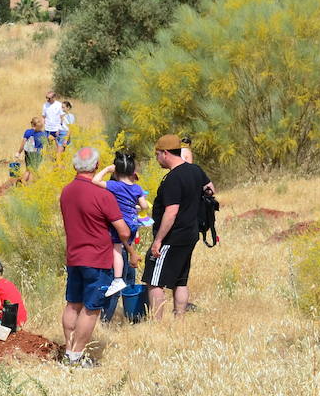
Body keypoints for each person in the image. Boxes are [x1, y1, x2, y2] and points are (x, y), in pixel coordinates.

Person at [59, 146, 134, 367]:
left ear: (75, 166)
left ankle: (68, 351)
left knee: (73, 304)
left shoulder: (66, 191)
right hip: (97, 259)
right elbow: (124, 231)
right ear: (97, 166)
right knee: (91, 308)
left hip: (74, 256)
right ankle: (76, 356)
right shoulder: (103, 194)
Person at [143, 134, 213, 320]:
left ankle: (157, 323)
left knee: (153, 280)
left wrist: (158, 240)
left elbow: (171, 212)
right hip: (191, 234)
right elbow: (211, 189)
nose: (157, 159)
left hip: (172, 237)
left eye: (157, 154)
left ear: (165, 153)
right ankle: (179, 319)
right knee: (180, 279)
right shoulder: (195, 170)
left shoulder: (173, 179)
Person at [94, 151, 150, 298]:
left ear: (116, 171)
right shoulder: (137, 188)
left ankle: (118, 279)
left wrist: (106, 169)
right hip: (133, 223)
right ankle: (128, 269)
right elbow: (144, 206)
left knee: (117, 249)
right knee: (128, 246)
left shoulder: (114, 185)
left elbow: (95, 181)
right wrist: (138, 208)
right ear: (133, 171)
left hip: (120, 224)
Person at [16, 116, 44, 182]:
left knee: (28, 169)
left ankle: (23, 181)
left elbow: (23, 143)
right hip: (36, 153)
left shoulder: (27, 132)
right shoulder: (41, 133)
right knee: (33, 170)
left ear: (32, 124)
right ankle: (29, 185)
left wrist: (18, 152)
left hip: (27, 152)